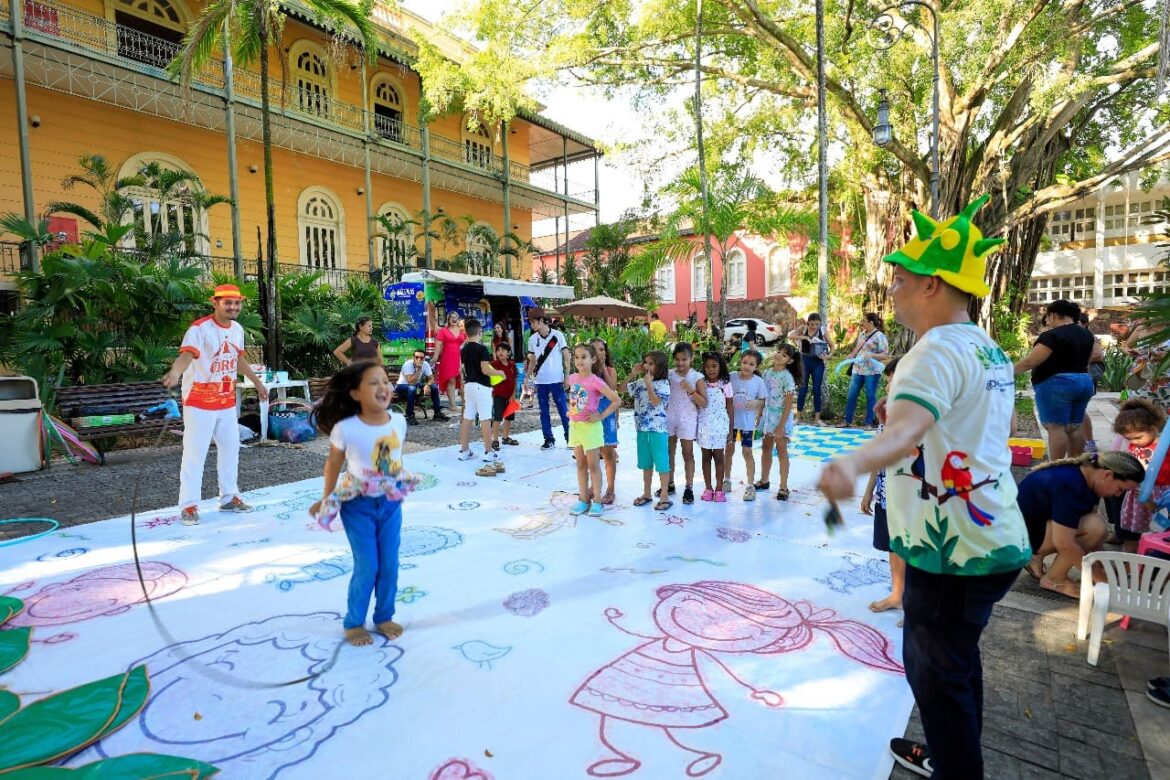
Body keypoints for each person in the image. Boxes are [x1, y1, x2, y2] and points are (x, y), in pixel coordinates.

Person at [817, 195, 1032, 778]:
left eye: (901, 280)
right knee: (955, 667)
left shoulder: (931, 352)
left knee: (937, 676)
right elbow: (983, 429)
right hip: (993, 535)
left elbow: (907, 431)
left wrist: (849, 466)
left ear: (934, 284)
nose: (893, 291)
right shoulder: (985, 348)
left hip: (953, 551)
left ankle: (959, 769)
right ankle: (952, 754)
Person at [308, 361, 417, 646]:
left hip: (390, 503)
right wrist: (326, 499)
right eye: (373, 382)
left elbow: (395, 458)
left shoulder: (399, 422)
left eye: (385, 381)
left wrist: (397, 481)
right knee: (367, 565)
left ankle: (383, 616)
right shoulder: (346, 428)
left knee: (390, 564)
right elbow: (333, 465)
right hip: (357, 505)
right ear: (355, 394)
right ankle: (354, 622)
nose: (383, 387)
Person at [161, 284, 266, 526]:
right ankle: (188, 505)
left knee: (231, 449)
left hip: (225, 400)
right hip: (199, 400)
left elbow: (238, 360)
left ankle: (229, 497)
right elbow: (186, 355)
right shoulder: (199, 329)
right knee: (195, 454)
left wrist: (257, 383)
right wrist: (175, 373)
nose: (233, 307)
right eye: (227, 303)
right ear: (215, 303)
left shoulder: (238, 329)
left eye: (237, 303)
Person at [1018, 451, 1144, 597]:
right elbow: (1064, 543)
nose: (1118, 495)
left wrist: (1099, 563)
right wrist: (1100, 578)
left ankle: (1036, 557)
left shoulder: (1088, 476)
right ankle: (1054, 579)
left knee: (1097, 528)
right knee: (1095, 527)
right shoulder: (1071, 486)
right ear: (1107, 475)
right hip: (1016, 540)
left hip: (1028, 530)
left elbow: (1092, 535)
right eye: (1120, 489)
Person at [1014, 299, 1095, 459]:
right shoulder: (1086, 335)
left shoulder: (1052, 335)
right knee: (1075, 426)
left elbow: (1031, 361)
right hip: (1083, 381)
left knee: (1056, 427)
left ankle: (1055, 465)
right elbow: (1089, 359)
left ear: (1053, 315)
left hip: (1056, 385)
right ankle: (1073, 465)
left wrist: (1007, 371)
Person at [860, 358, 905, 616]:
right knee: (892, 546)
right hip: (887, 492)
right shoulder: (886, 411)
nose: (889, 385)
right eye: (888, 379)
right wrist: (869, 491)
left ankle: (914, 602)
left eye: (895, 379)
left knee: (911, 548)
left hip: (911, 494)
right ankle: (897, 594)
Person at [566, 343, 622, 517]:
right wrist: (572, 410)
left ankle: (597, 501)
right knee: (580, 464)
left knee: (593, 465)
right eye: (576, 357)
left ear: (593, 360)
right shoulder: (572, 378)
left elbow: (616, 400)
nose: (579, 360)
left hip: (591, 429)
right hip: (575, 427)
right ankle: (583, 499)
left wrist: (600, 416)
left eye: (584, 357)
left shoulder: (595, 381)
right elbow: (575, 398)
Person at [1113, 399, 1170, 552]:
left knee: (1157, 528)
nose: (1134, 442)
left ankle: (1151, 555)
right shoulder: (1135, 444)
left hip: (1159, 493)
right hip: (1137, 494)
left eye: (1138, 437)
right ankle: (1129, 557)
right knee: (1132, 528)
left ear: (1153, 428)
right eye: (1129, 438)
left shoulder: (1164, 445)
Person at [455, 318, 505, 477]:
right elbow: (485, 369)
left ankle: (463, 450)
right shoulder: (482, 349)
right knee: (485, 418)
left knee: (467, 417)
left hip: (468, 385)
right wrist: (499, 373)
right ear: (479, 332)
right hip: (481, 387)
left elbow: (462, 369)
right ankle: (489, 451)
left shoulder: (463, 349)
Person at [626, 350, 672, 511]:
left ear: (659, 367)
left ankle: (665, 495)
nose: (646, 366)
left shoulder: (664, 384)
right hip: (642, 429)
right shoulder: (640, 382)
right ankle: (646, 493)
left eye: (651, 363)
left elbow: (655, 402)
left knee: (661, 463)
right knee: (646, 463)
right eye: (645, 362)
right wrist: (633, 374)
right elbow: (621, 388)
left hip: (657, 430)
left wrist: (649, 385)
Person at [758, 343, 801, 501]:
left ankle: (783, 487)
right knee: (766, 447)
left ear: (789, 361)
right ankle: (764, 480)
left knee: (781, 451)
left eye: (784, 355)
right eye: (779, 352)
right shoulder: (767, 373)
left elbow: (789, 405)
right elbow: (763, 396)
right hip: (768, 417)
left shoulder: (787, 377)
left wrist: (781, 426)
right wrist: (759, 415)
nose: (779, 355)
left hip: (781, 418)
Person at [525, 308, 572, 450]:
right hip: (541, 381)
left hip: (557, 380)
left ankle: (570, 437)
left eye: (533, 322)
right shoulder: (532, 339)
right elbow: (533, 360)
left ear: (541, 321)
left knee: (563, 410)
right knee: (543, 412)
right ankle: (548, 439)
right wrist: (527, 377)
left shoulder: (558, 335)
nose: (531, 325)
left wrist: (567, 376)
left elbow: (566, 356)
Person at [724, 349, 767, 500]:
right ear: (739, 362)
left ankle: (750, 485)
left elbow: (763, 400)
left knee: (747, 452)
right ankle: (726, 480)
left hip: (747, 424)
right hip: (731, 423)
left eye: (751, 364)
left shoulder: (758, 381)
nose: (747, 366)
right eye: (744, 362)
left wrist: (757, 403)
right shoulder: (731, 377)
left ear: (756, 366)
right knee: (728, 451)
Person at [667, 342, 706, 504]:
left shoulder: (696, 377)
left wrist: (691, 390)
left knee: (687, 454)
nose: (680, 363)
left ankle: (689, 487)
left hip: (688, 419)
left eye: (684, 359)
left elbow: (703, 402)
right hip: (669, 417)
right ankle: (668, 483)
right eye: (677, 359)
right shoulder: (669, 374)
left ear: (691, 358)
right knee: (669, 452)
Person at [840, 312, 889, 428]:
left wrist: (872, 355)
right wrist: (852, 355)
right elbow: (858, 350)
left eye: (864, 321)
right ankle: (847, 420)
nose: (861, 323)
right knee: (851, 395)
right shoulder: (862, 334)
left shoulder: (879, 336)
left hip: (872, 371)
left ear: (871, 323)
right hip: (858, 369)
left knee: (870, 395)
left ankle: (869, 423)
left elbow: (885, 356)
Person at [697, 352, 733, 502]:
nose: (711, 370)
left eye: (714, 366)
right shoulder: (701, 383)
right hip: (704, 426)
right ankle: (708, 487)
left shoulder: (725, 384)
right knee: (706, 456)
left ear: (721, 366)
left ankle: (719, 489)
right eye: (707, 367)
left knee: (719, 457)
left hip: (720, 427)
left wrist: (731, 430)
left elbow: (730, 407)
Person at [591, 337, 620, 505]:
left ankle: (610, 489)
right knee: (592, 454)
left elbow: (613, 389)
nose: (599, 352)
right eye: (594, 350)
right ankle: (593, 485)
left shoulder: (610, 370)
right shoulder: (586, 372)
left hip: (607, 415)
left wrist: (602, 368)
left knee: (608, 454)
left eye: (602, 349)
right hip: (591, 417)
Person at [788, 312, 831, 426]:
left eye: (817, 324)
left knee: (817, 390)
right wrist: (805, 337)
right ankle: (798, 418)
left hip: (818, 362)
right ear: (808, 323)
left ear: (820, 323)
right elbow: (790, 336)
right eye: (812, 324)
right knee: (802, 389)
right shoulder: (803, 328)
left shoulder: (823, 330)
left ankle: (817, 419)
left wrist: (829, 356)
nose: (814, 326)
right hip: (804, 361)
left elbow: (833, 346)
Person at [394, 349, 448, 424]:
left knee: (434, 387)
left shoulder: (425, 364)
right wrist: (419, 369)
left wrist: (427, 385)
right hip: (401, 386)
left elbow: (431, 378)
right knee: (412, 388)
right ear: (413, 357)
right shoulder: (407, 365)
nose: (419, 359)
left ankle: (437, 413)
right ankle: (410, 415)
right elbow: (411, 382)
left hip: (416, 385)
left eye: (421, 358)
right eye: (417, 357)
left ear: (424, 358)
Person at [1080, 312, 1106, 453]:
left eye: (1077, 322)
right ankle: (1081, 441)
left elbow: (1098, 355)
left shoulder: (1091, 338)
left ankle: (1089, 442)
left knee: (1080, 409)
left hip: (1086, 377)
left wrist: (1078, 360)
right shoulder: (1074, 338)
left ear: (1084, 324)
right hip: (1077, 377)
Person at [432, 312, 466, 413]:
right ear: (448, 319)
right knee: (451, 380)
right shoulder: (443, 331)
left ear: (458, 319)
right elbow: (438, 345)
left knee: (463, 381)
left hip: (460, 359)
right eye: (452, 317)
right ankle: (453, 405)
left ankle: (465, 405)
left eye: (456, 317)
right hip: (448, 358)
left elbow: (466, 344)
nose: (454, 318)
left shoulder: (462, 332)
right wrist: (435, 357)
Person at [490, 342, 519, 449]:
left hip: (510, 396)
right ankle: (495, 439)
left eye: (503, 350)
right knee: (497, 417)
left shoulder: (512, 365)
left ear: (508, 353)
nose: (500, 352)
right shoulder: (494, 365)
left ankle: (506, 437)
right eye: (498, 350)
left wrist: (514, 394)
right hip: (498, 395)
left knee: (509, 417)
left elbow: (515, 379)